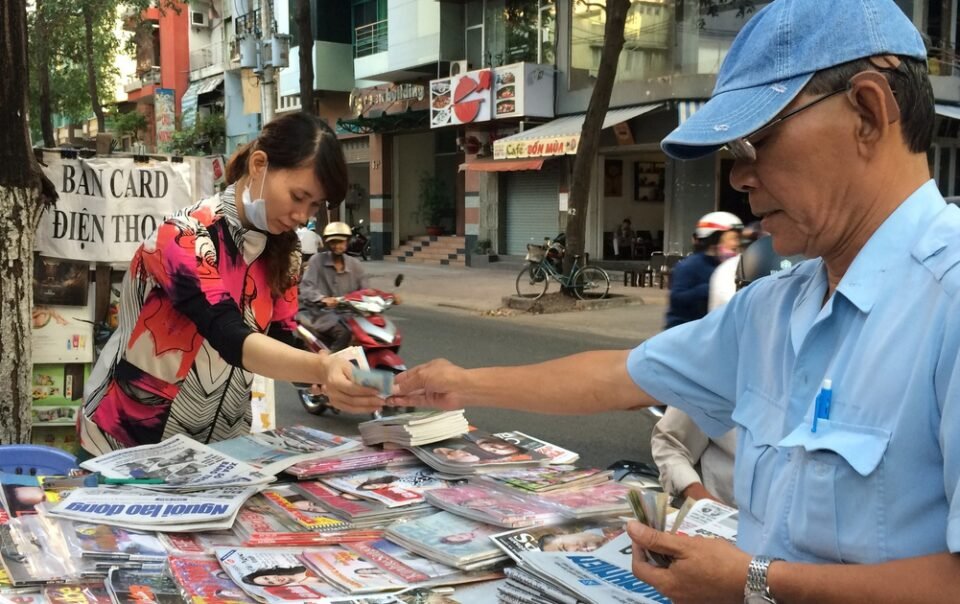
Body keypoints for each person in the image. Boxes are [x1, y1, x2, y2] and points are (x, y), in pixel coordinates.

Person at [349, 1, 960, 601]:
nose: (740, 177)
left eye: (758, 141)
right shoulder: (777, 306)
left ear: (868, 111)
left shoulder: (948, 303)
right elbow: (620, 375)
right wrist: (463, 383)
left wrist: (752, 582)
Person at [78, 112, 375, 455]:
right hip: (127, 444)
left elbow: (282, 344)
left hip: (221, 450)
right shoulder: (185, 236)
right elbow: (230, 336)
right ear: (259, 165)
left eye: (314, 206)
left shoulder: (286, 253)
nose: (302, 216)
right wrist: (321, 366)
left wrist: (360, 381)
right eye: (297, 196)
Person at [297, 221, 370, 352]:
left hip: (351, 314)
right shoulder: (316, 261)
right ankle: (331, 364)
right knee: (344, 333)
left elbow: (366, 290)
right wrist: (322, 299)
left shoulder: (355, 264)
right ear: (328, 243)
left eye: (341, 242)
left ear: (347, 242)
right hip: (323, 314)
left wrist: (387, 297)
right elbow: (306, 287)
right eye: (333, 242)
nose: (337, 246)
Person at [664, 211, 743, 328]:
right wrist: (710, 289)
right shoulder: (690, 265)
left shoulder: (730, 266)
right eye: (733, 238)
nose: (736, 243)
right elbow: (677, 298)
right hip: (685, 331)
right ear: (715, 239)